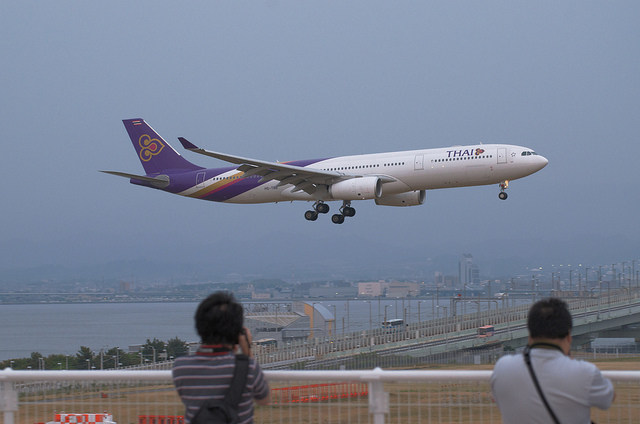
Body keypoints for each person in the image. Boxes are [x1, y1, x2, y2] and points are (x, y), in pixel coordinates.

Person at [491, 297, 614, 424]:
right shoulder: (585, 372)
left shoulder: (503, 368)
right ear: (569, 335)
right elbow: (607, 400)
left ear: (530, 334)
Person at [172, 291, 270, 424]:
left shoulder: (181, 367)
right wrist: (246, 349)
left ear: (199, 326)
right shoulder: (248, 367)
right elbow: (263, 400)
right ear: (236, 332)